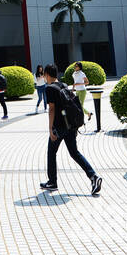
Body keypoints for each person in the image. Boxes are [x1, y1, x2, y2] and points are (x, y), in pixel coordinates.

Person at [39, 65, 102, 196]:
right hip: (71, 125)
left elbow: (51, 109)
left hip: (59, 127)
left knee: (51, 152)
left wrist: (50, 129)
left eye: (44, 75)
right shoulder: (63, 85)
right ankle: (93, 176)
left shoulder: (50, 88)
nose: (44, 77)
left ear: (47, 74)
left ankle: (52, 182)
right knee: (74, 153)